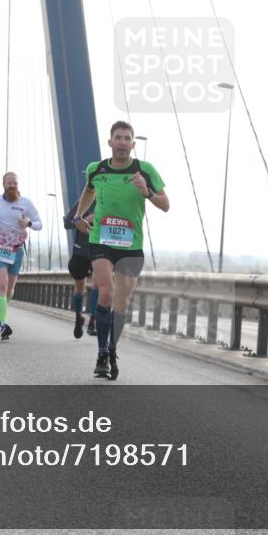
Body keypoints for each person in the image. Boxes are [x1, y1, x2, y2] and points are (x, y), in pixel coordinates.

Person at [73, 121, 169, 380]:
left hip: (131, 246)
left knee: (121, 302)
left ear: (133, 144)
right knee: (106, 293)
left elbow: (165, 205)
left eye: (127, 138)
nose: (123, 142)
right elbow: (89, 191)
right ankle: (102, 353)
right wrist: (80, 214)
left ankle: (112, 348)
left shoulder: (145, 170)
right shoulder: (97, 169)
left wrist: (146, 192)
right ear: (110, 142)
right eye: (118, 137)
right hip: (101, 240)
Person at [0, 172, 42, 340]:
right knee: (3, 284)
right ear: (4, 185)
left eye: (15, 183)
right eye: (9, 183)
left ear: (18, 184)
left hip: (16, 250)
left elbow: (39, 224)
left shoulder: (26, 203)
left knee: (10, 290)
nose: (12, 185)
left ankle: (1, 311)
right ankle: (4, 325)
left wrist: (27, 223)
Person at [63, 200, 99, 338]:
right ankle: (79, 317)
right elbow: (67, 223)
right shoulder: (83, 203)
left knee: (98, 285)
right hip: (81, 252)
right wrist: (83, 220)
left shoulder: (110, 201)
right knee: (79, 288)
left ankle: (93, 321)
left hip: (99, 251)